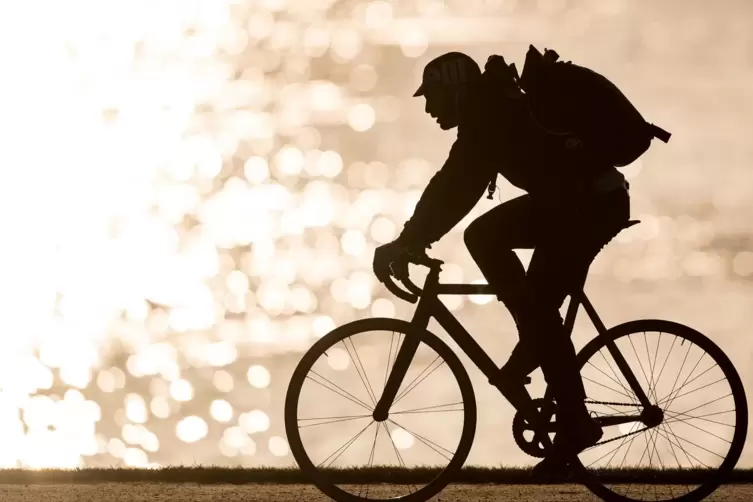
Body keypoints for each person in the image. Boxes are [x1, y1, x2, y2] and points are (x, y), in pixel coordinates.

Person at [372, 51, 631, 475]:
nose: (428, 107)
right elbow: (455, 182)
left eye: (432, 96)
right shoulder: (491, 107)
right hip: (578, 205)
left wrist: (409, 240)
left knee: (488, 242)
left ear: (454, 89)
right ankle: (555, 397)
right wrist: (412, 238)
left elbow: (459, 184)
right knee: (535, 305)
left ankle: (570, 415)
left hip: (587, 206)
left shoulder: (487, 111)